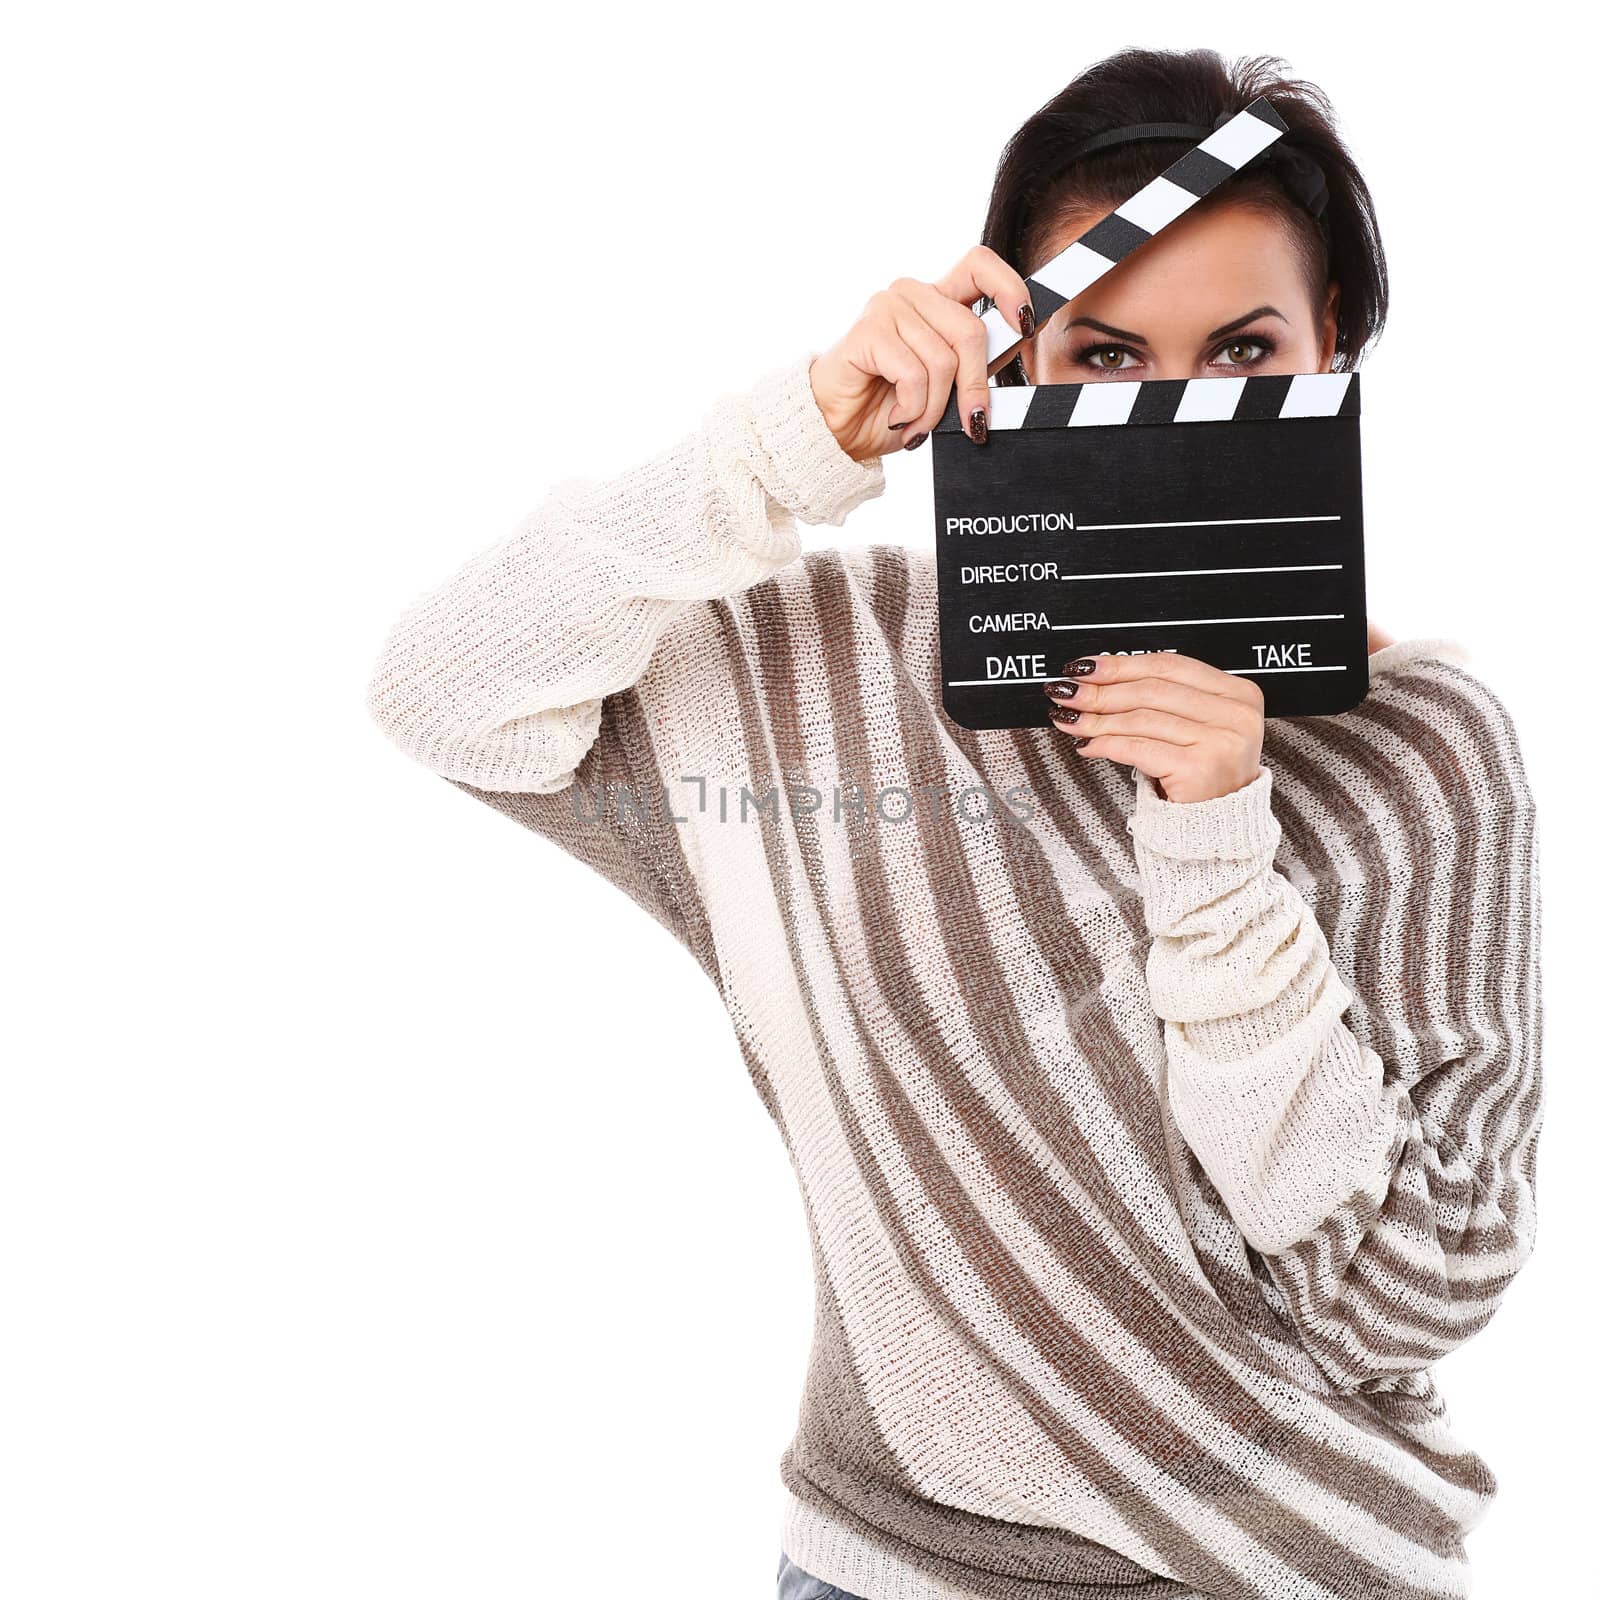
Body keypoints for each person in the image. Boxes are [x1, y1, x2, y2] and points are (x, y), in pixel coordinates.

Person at [365, 46, 1542, 1600]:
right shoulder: (831, 679)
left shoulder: (1424, 753)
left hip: (1296, 1571)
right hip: (895, 1566)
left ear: (1337, 348)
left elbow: (1406, 1304)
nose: (1173, 404)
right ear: (1016, 355)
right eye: (1106, 355)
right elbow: (446, 692)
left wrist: (1217, 844)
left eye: (1244, 344)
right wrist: (786, 445)